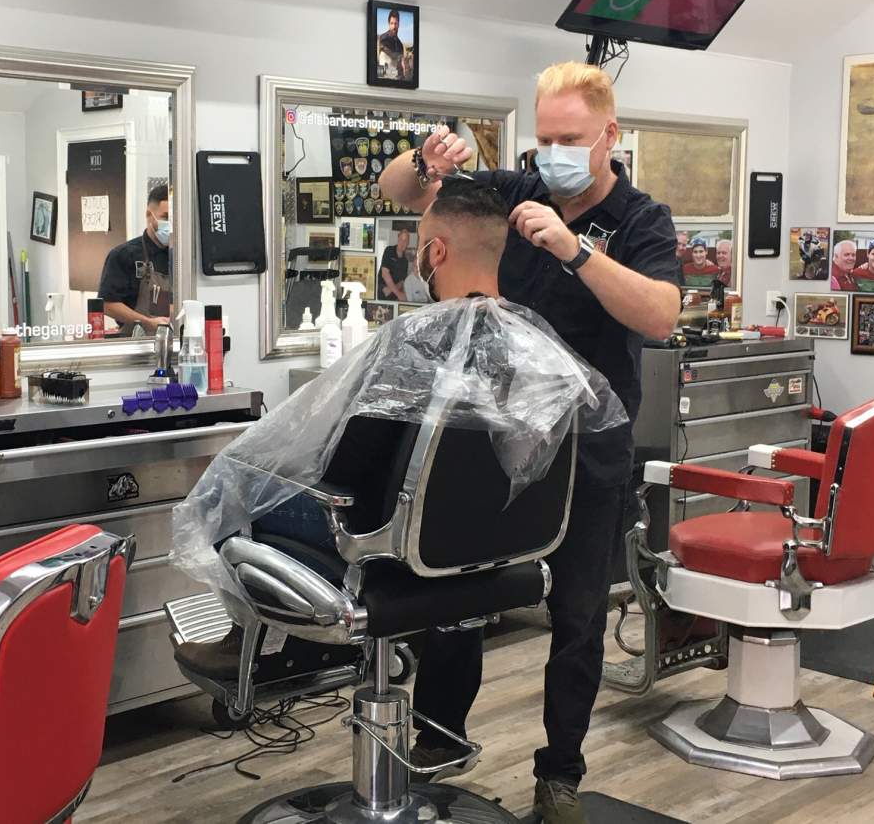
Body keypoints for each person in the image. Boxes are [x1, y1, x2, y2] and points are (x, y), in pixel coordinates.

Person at [379, 61, 681, 824]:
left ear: (610, 135)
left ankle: (560, 777)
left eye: (569, 138)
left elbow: (660, 316)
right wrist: (424, 161)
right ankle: (439, 736)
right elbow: (401, 193)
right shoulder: (521, 189)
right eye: (544, 137)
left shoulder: (641, 220)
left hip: (587, 449)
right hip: (495, 435)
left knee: (577, 617)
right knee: (452, 584)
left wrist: (576, 252)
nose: (553, 153)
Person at [172, 184, 624, 678]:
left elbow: (345, 465)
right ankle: (320, 658)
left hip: (381, 536)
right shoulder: (536, 346)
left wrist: (274, 463)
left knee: (233, 486)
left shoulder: (413, 342)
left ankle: (253, 646)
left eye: (421, 248)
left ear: (436, 252)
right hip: (482, 539)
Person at [97, 184, 172, 334]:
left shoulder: (182, 257)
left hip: (173, 339)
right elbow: (107, 304)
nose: (171, 224)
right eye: (165, 217)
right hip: (135, 342)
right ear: (149, 214)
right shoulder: (124, 255)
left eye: (175, 218)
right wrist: (147, 323)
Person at [378, 226, 412, 301]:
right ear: (398, 239)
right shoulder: (389, 250)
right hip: (381, 294)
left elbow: (402, 282)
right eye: (401, 239)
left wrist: (391, 290)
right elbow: (385, 274)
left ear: (408, 243)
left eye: (405, 241)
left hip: (393, 297)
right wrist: (398, 294)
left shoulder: (405, 260)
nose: (402, 243)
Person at [377, 8, 408, 81]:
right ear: (388, 24)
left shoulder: (400, 44)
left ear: (399, 24)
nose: (394, 26)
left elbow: (400, 68)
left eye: (396, 23)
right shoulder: (383, 38)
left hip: (395, 81)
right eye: (391, 23)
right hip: (382, 79)